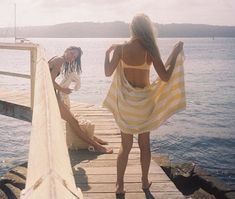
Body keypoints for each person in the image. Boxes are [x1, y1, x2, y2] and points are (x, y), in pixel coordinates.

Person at [103, 14, 184, 199]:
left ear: (133, 28)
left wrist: (106, 55)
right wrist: (175, 53)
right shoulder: (150, 49)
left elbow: (108, 72)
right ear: (147, 28)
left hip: (126, 104)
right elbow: (165, 76)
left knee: (125, 146)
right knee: (144, 145)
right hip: (145, 103)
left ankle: (119, 185)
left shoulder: (121, 49)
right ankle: (144, 181)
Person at [49, 46, 113, 154]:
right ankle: (97, 146)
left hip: (52, 93)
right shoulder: (59, 60)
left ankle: (93, 138)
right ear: (66, 51)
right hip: (50, 96)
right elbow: (50, 81)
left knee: (73, 120)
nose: (72, 57)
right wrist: (62, 89)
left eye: (75, 56)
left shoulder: (57, 58)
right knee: (73, 121)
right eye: (71, 53)